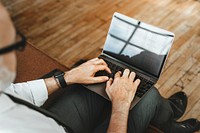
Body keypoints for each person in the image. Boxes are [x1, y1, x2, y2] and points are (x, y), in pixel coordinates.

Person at [0, 3, 200, 133]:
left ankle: (165, 114)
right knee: (147, 95)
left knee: (101, 76)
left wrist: (66, 78)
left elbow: (11, 94)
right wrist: (120, 106)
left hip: (50, 123)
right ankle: (169, 123)